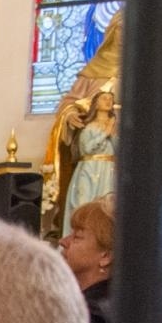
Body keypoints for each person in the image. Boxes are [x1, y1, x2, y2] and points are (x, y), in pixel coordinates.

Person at [58, 196, 113, 323]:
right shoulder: (111, 299)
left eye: (77, 236)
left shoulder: (92, 310)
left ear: (105, 256)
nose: (63, 241)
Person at [63, 88, 115, 230]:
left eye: (110, 99)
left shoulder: (114, 126)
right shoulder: (88, 127)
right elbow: (86, 149)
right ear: (95, 104)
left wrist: (113, 130)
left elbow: (119, 149)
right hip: (89, 168)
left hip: (109, 170)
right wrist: (105, 133)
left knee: (107, 208)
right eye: (104, 98)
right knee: (84, 204)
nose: (108, 101)